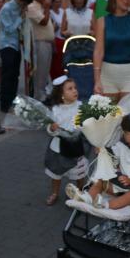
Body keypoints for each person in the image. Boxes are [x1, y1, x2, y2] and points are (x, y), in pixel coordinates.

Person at [66, 108, 130, 210]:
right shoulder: (123, 145)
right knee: (101, 181)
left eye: (126, 133)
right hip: (117, 183)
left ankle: (106, 205)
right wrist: (103, 151)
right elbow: (113, 154)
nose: (123, 135)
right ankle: (87, 198)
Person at [44, 76, 87, 206]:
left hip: (76, 147)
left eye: (75, 88)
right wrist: (52, 128)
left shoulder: (80, 107)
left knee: (79, 173)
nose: (75, 91)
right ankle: (55, 193)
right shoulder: (56, 110)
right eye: (70, 89)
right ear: (61, 94)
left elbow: (86, 126)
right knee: (56, 173)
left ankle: (80, 192)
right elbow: (49, 129)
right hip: (59, 149)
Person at [0, 0, 34, 113]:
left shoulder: (20, 7)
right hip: (7, 45)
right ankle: (5, 105)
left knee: (15, 75)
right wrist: (20, 17)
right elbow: (8, 29)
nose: (24, 6)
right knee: (7, 76)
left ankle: (13, 102)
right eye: (24, 3)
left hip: (17, 45)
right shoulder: (6, 9)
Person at [27, 0, 54, 102]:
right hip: (39, 43)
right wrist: (47, 8)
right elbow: (43, 22)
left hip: (47, 43)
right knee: (40, 71)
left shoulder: (41, 7)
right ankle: (39, 96)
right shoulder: (32, 7)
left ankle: (43, 93)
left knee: (45, 70)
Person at [49, 0, 65, 79]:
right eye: (56, 1)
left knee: (63, 62)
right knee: (56, 63)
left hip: (63, 39)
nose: (58, 3)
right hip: (55, 39)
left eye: (60, 1)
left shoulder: (63, 11)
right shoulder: (50, 13)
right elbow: (51, 28)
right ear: (52, 3)